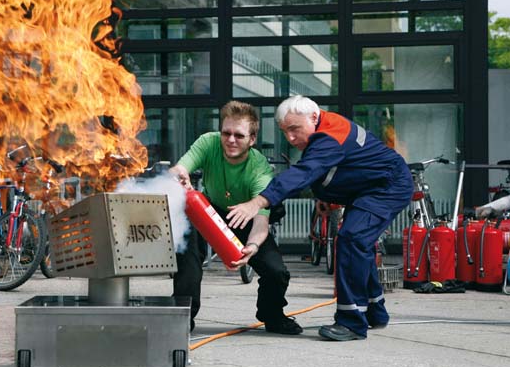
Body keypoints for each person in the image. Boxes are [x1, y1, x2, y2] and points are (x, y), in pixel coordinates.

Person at [227, 95, 413, 341]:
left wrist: (258, 202)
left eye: (295, 129)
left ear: (313, 117)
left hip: (387, 188)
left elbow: (305, 172)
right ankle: (374, 312)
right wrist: (325, 196)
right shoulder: (327, 126)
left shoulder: (329, 136)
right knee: (358, 243)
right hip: (371, 188)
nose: (290, 138)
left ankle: (352, 323)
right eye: (285, 132)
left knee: (351, 239)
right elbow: (339, 167)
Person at [169, 100, 302, 335]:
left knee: (276, 272)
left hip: (246, 216)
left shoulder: (260, 169)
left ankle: (273, 316)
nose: (230, 140)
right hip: (209, 210)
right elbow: (181, 167)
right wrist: (179, 175)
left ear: (252, 140)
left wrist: (251, 246)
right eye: (226, 133)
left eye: (239, 136)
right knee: (187, 257)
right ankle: (181, 318)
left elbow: (261, 222)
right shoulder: (208, 142)